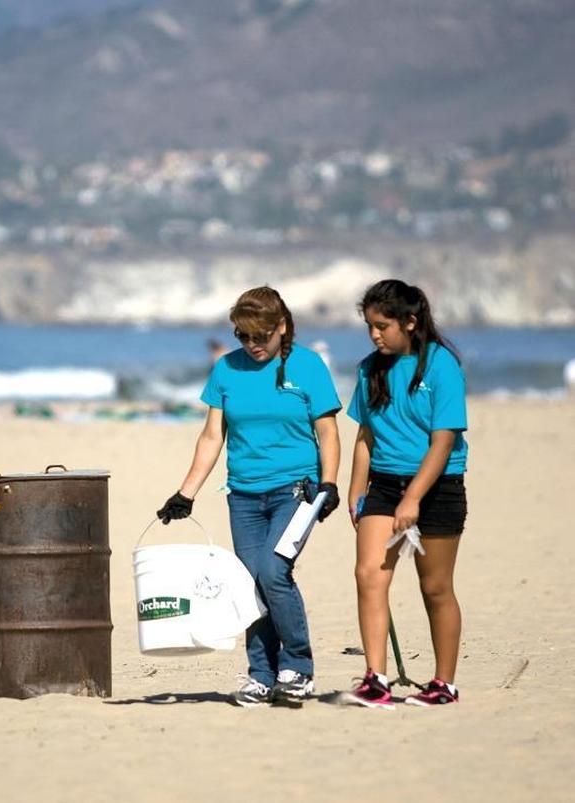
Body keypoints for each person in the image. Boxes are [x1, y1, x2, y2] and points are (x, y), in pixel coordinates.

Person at [157, 286, 341, 707]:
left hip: (296, 489)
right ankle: (262, 674)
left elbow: (328, 431)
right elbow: (211, 436)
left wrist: (328, 484)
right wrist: (185, 494)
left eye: (261, 336)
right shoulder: (227, 369)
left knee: (274, 572)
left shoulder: (308, 366)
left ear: (282, 327)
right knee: (249, 584)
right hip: (243, 495)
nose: (253, 345)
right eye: (243, 336)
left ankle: (298, 667)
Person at [343, 279, 468, 709]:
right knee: (368, 575)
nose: (375, 335)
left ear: (410, 322)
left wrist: (413, 498)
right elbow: (365, 433)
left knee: (434, 587)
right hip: (383, 484)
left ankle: (444, 683)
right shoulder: (369, 368)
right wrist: (356, 489)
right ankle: (375, 679)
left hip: (437, 487)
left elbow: (444, 439)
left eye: (382, 326)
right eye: (369, 327)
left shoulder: (440, 366)